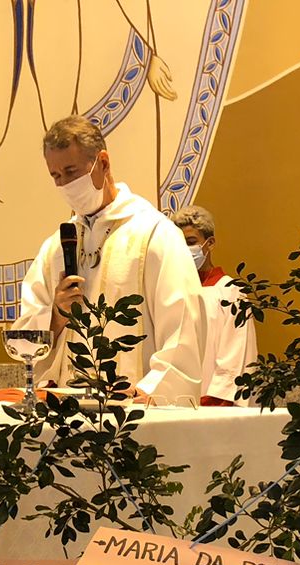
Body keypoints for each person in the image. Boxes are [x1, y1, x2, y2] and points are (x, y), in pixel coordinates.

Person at [16, 115, 205, 403]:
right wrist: (55, 317)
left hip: (133, 409)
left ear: (102, 163)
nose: (65, 184)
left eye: (71, 171)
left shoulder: (154, 234)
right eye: (56, 176)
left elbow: (184, 328)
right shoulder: (56, 247)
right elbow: (25, 339)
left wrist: (151, 391)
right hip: (67, 410)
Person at [173, 205, 258, 407]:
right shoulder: (173, 293)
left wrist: (211, 403)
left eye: (191, 242)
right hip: (175, 403)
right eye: (179, 244)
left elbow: (235, 358)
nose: (185, 250)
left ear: (209, 243)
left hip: (212, 406)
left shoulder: (230, 293)